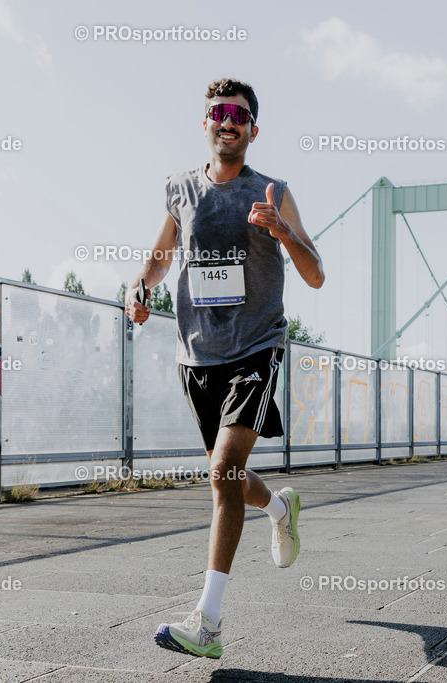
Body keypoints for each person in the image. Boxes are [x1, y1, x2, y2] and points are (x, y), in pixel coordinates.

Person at [125, 78, 324, 659]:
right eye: (218, 112)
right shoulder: (180, 189)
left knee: (222, 472)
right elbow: (162, 257)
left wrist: (282, 231)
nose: (228, 120)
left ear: (253, 129)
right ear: (206, 125)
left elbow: (314, 275)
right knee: (227, 476)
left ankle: (207, 622)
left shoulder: (273, 190)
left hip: (257, 347)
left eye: (239, 114)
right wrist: (140, 289)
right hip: (198, 353)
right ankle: (282, 507)